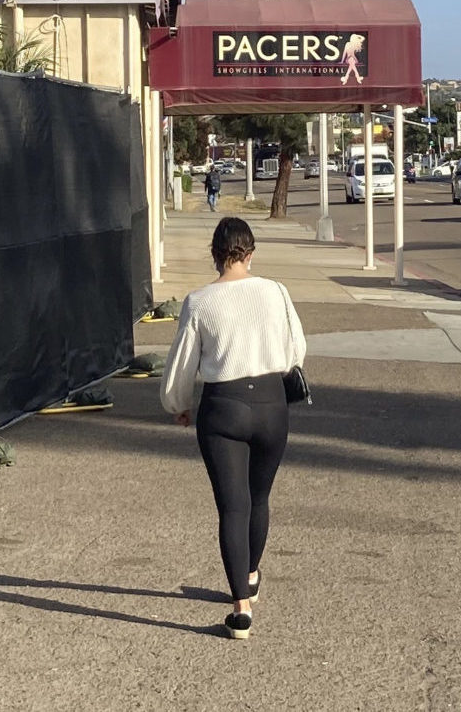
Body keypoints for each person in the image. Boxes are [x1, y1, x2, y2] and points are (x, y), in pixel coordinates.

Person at [159, 217, 308, 640]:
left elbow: (183, 362)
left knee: (232, 507)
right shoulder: (276, 292)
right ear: (250, 252)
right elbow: (297, 349)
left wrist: (179, 404)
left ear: (215, 253)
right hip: (270, 405)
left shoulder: (199, 301)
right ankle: (253, 572)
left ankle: (240, 608)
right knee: (259, 498)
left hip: (223, 408)